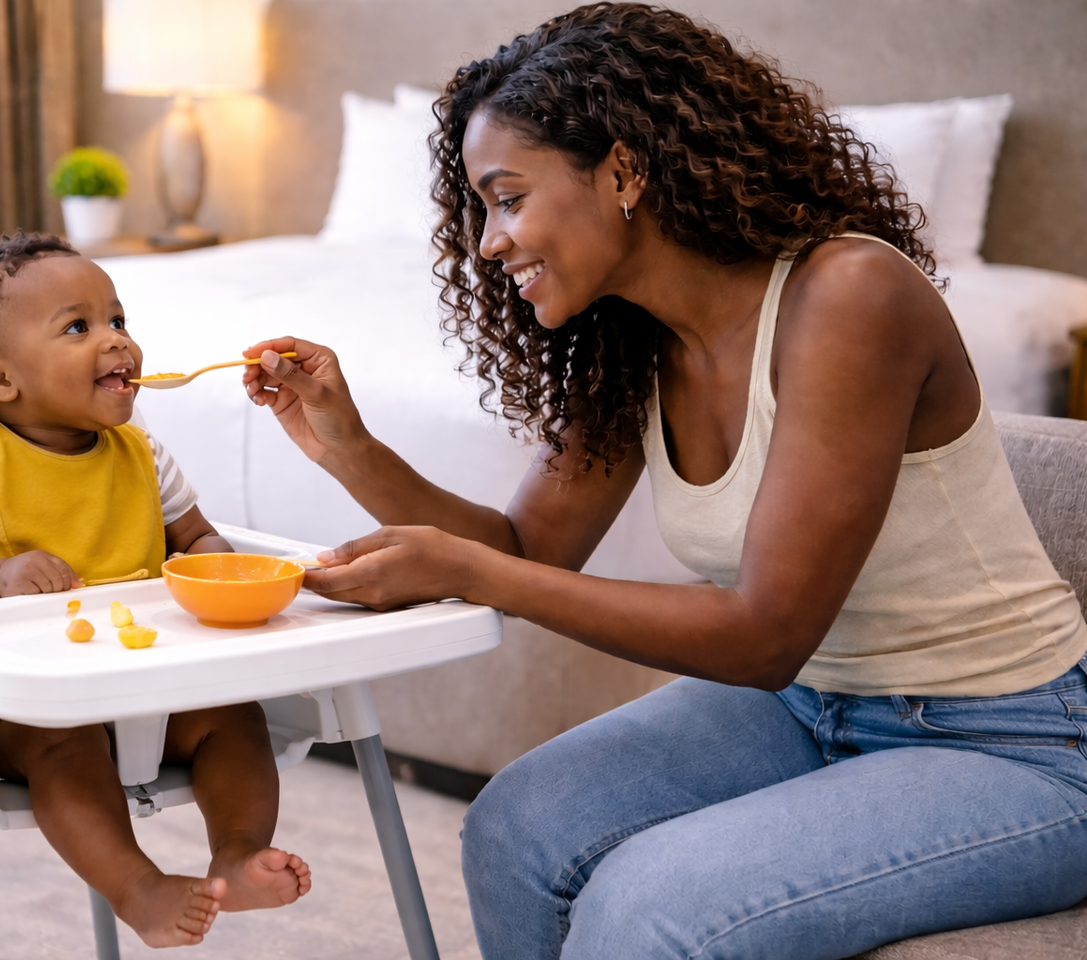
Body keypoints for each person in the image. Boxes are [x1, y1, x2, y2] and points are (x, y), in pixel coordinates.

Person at [240, 4, 1087, 958]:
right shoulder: (634, 345)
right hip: (810, 703)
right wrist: (348, 443)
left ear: (625, 171)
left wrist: (469, 575)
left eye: (509, 198)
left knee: (653, 907)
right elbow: (527, 548)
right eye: (481, 209)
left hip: (1007, 742)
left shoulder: (849, 297)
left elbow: (764, 634)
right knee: (514, 828)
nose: (487, 242)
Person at [0, 232, 310, 948]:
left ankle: (236, 853)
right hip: (19, 712)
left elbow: (199, 540)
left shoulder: (142, 456)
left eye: (118, 320)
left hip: (147, 686)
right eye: (79, 327)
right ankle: (136, 887)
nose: (118, 342)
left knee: (234, 715)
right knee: (65, 745)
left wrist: (225, 573)